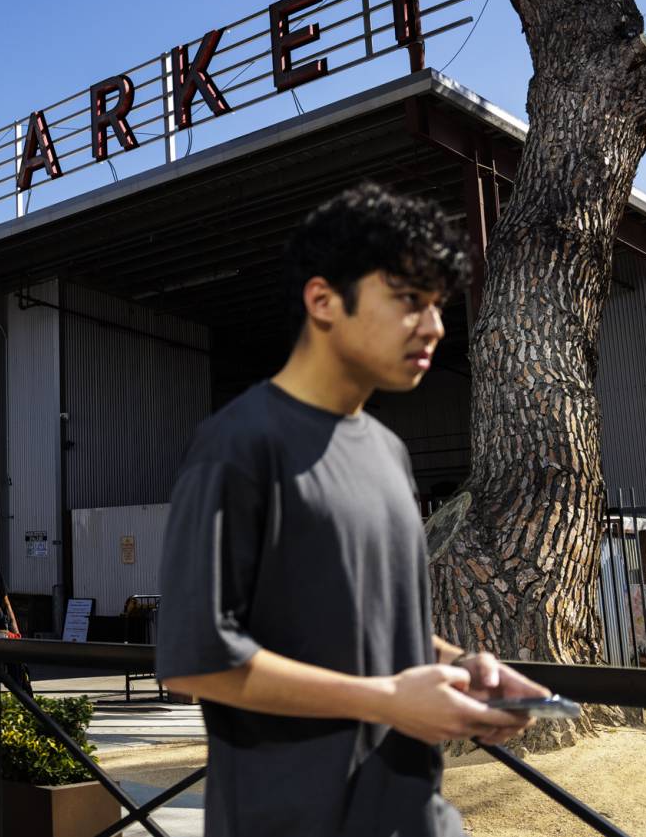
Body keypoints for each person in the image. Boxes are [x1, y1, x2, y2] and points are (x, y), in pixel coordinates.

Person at [157, 183, 551, 837]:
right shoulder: (239, 444)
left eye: (438, 305)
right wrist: (390, 700)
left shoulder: (390, 451)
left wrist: (461, 668)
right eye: (408, 300)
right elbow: (197, 658)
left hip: (413, 815)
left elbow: (364, 619)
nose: (434, 326)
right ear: (323, 301)